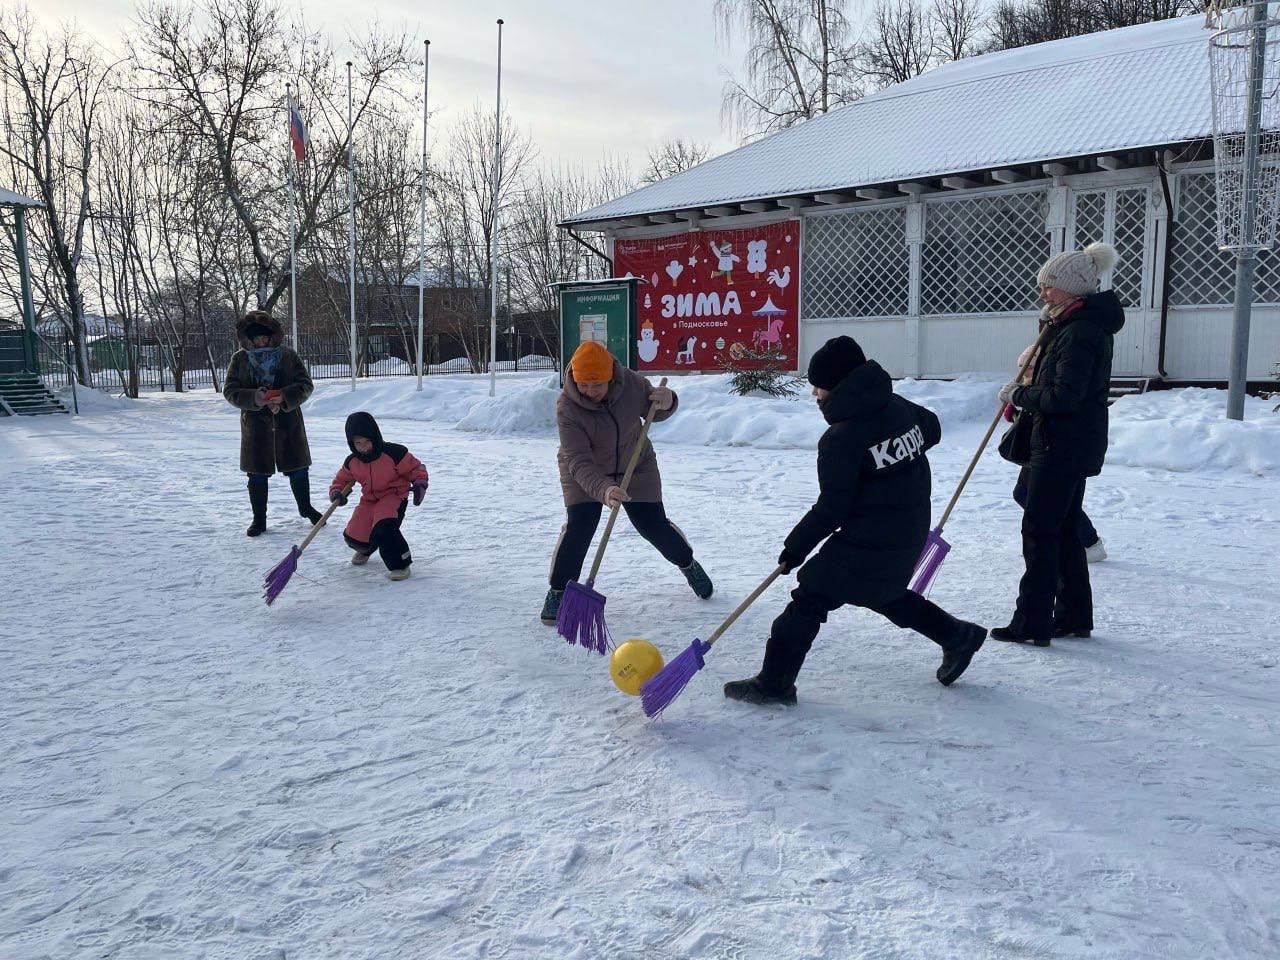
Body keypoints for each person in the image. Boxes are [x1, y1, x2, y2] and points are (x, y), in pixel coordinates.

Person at [724, 336, 986, 706]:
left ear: (842, 385)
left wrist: (795, 547)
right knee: (882, 591)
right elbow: (932, 427)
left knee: (810, 597)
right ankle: (958, 636)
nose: (815, 393)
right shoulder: (893, 405)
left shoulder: (842, 439)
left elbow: (832, 508)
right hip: (907, 527)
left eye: (821, 385)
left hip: (870, 538)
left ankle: (774, 684)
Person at [991, 242, 1124, 647]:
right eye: (1043, 285)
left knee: (1040, 533)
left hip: (1061, 444)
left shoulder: (1080, 331)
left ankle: (1031, 623)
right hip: (1062, 443)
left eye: (1051, 287)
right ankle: (1072, 616)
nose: (1043, 293)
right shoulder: (1066, 325)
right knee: (1064, 531)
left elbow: (1065, 396)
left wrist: (1018, 395)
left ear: (1075, 289)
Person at [542, 341, 713, 624]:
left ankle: (688, 563)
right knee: (581, 525)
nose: (590, 392)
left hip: (636, 463)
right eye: (584, 384)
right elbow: (578, 460)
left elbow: (655, 410)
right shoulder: (567, 407)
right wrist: (604, 489)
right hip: (586, 469)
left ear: (611, 375)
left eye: (598, 385)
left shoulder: (632, 384)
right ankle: (559, 589)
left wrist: (669, 399)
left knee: (652, 525)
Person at [1007, 339, 1106, 564]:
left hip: (1053, 449)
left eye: (1030, 367)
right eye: (1022, 367)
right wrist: (1014, 409)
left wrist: (1021, 402)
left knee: (1050, 500)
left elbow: (1048, 406)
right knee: (1025, 494)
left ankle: (1089, 542)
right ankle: (1070, 539)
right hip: (1036, 450)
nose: (1024, 372)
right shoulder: (1027, 387)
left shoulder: (1046, 385)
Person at [223, 310, 319, 536]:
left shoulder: (288, 356)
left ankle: (306, 509)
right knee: (256, 474)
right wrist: (255, 397)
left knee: (298, 469)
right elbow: (230, 391)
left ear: (273, 335)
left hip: (289, 424)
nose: (261, 341)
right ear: (247, 338)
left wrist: (285, 395)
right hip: (255, 428)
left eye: (265, 337)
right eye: (256, 338)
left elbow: (306, 384)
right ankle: (259, 519)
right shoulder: (239, 359)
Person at [328, 412, 429, 582]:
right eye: (358, 443)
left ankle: (400, 564)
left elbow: (417, 469)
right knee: (354, 537)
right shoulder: (352, 462)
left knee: (384, 528)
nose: (363, 447)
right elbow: (341, 480)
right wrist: (336, 492)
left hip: (394, 496)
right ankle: (366, 548)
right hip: (369, 499)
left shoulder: (394, 453)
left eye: (367, 441)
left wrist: (420, 484)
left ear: (375, 437)